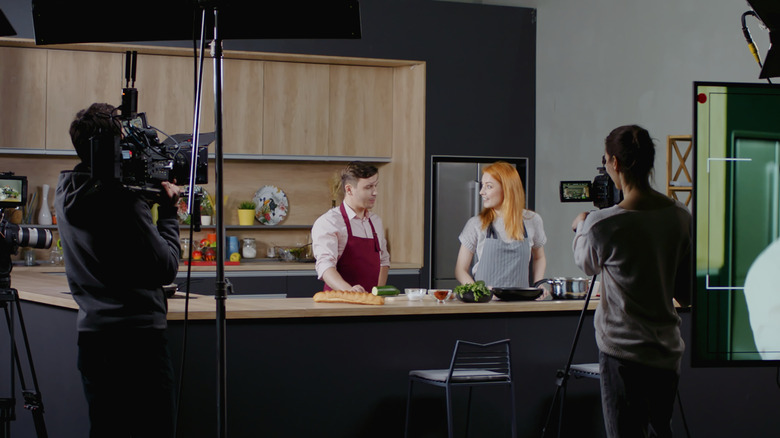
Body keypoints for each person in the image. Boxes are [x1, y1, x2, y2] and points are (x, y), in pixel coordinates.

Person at [55, 103, 181, 438]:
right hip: (137, 343)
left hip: (94, 341)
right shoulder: (122, 201)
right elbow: (165, 267)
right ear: (115, 148)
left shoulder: (65, 189)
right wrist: (169, 214)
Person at [571, 125, 691, 438]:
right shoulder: (680, 216)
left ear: (615, 163)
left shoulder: (602, 223)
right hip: (666, 353)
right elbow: (685, 286)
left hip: (621, 354)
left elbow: (586, 264)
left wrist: (582, 225)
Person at [454, 161, 547, 290]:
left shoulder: (532, 220)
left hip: (520, 304)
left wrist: (538, 284)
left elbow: (539, 257)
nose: (481, 192)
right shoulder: (476, 224)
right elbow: (460, 269)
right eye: (482, 186)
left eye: (489, 186)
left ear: (507, 189)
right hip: (487, 304)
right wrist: (479, 291)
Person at [311, 161, 390, 292]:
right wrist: (350, 291)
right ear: (349, 189)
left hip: (371, 305)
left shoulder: (376, 222)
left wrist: (377, 293)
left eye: (375, 186)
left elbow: (384, 261)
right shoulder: (329, 222)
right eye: (368, 187)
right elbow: (325, 266)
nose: (375, 192)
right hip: (339, 304)